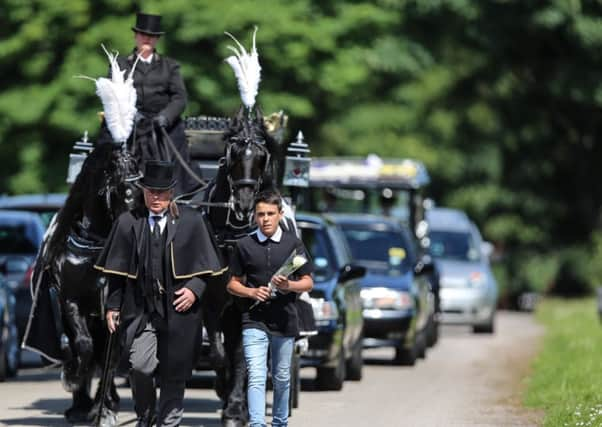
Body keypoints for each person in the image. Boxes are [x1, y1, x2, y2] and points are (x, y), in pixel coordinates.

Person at [95, 160, 224, 427]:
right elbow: (116, 272)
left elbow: (207, 268)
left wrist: (194, 289)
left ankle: (169, 422)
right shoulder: (128, 222)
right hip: (142, 311)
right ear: (143, 192)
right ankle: (147, 415)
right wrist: (112, 305)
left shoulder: (192, 221)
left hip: (180, 311)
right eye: (151, 191)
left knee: (173, 372)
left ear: (171, 193)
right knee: (140, 366)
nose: (156, 197)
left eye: (162, 192)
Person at [227, 190, 314, 427]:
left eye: (270, 214)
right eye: (260, 214)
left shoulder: (293, 244)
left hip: (285, 320)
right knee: (255, 375)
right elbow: (232, 284)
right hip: (253, 319)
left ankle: (279, 422)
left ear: (280, 214)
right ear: (254, 216)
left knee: (282, 377)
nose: (265, 219)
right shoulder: (244, 245)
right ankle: (257, 424)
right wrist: (251, 292)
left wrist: (289, 285)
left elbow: (308, 281)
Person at [98, 12, 192, 195]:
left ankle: (178, 194)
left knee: (178, 144)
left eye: (152, 36)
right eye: (143, 35)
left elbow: (179, 97)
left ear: (157, 39)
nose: (147, 39)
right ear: (136, 36)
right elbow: (111, 94)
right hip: (128, 123)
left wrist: (165, 117)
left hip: (161, 126)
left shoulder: (170, 66)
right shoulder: (120, 64)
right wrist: (131, 114)